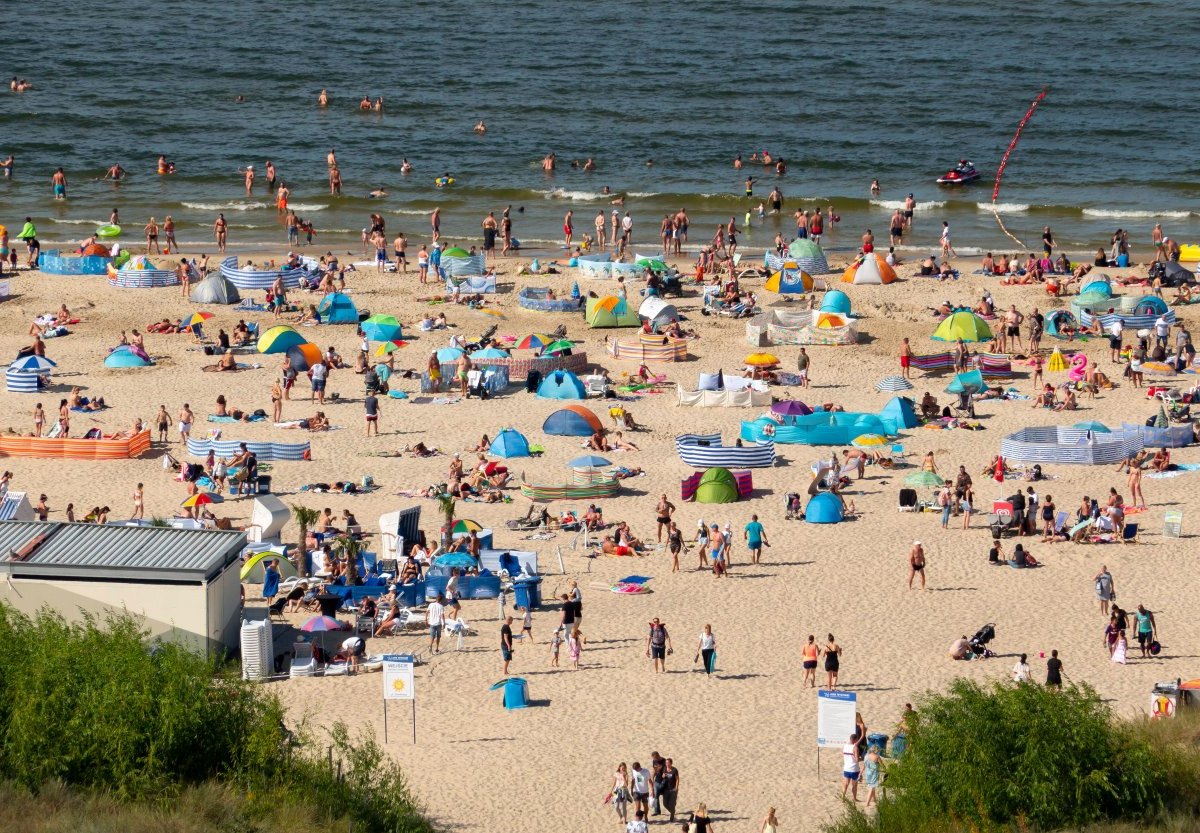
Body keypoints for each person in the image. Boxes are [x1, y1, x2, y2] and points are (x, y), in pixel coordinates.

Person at [842, 730, 862, 801]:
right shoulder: (855, 748)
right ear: (855, 739)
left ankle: (843, 797)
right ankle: (854, 798)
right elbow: (856, 759)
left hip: (846, 768)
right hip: (854, 769)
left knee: (846, 784)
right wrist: (862, 759)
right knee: (854, 785)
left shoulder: (845, 746)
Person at [610, 763, 631, 828]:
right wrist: (611, 791)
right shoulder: (616, 774)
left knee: (624, 806)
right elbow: (613, 783)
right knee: (616, 806)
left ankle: (624, 819)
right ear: (619, 767)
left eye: (624, 768)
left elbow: (626, 784)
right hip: (616, 790)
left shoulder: (626, 774)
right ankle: (621, 817)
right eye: (622, 767)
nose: (623, 769)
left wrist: (624, 777)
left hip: (624, 790)